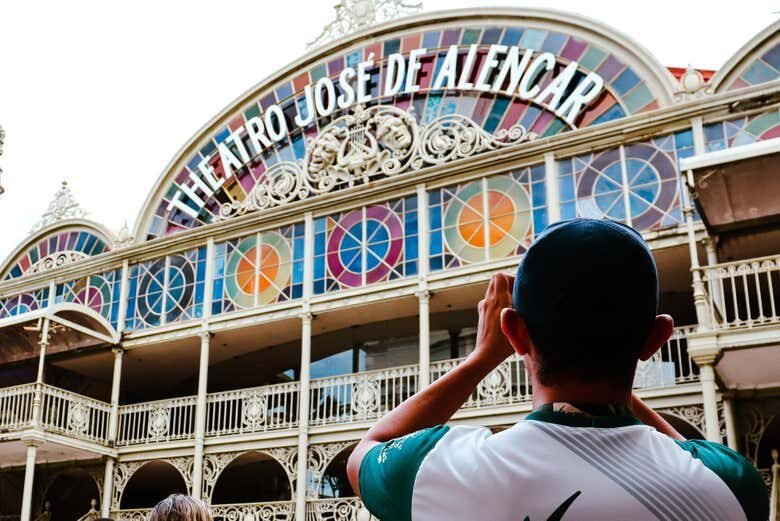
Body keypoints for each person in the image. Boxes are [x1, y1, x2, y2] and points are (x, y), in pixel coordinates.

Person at [346, 218, 768, 521]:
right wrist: (614, 347)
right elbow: (695, 457)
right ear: (656, 339)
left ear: (514, 333)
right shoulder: (728, 486)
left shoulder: (450, 472)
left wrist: (480, 360)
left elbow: (369, 448)